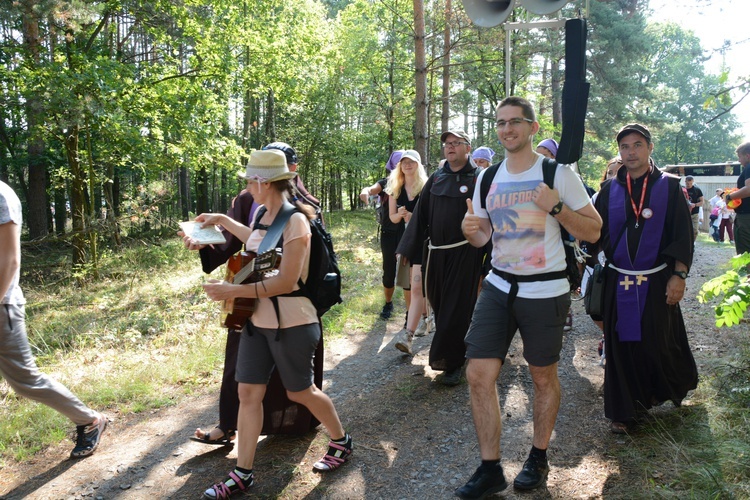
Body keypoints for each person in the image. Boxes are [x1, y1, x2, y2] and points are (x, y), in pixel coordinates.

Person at [456, 96, 601, 498]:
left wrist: (555, 207)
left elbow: (593, 230)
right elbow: (485, 237)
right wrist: (472, 232)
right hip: (499, 287)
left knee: (542, 377)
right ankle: (490, 469)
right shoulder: (489, 177)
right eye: (501, 123)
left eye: (515, 122)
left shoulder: (557, 173)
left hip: (546, 291)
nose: (507, 130)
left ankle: (538, 457)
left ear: (532, 127)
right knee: (478, 375)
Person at [198, 150, 351, 499]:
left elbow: (285, 281)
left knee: (300, 392)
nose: (248, 187)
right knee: (248, 394)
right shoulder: (265, 213)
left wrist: (231, 289)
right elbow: (254, 238)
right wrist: (221, 219)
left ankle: (341, 441)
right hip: (256, 322)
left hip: (293, 323)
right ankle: (242, 473)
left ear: (264, 182)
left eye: (251, 181)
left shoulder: (295, 220)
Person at [593, 123, 697, 435]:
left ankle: (654, 392)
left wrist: (678, 275)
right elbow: (594, 234)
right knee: (621, 344)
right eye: (625, 147)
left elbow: (682, 234)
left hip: (656, 279)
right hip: (618, 279)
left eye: (637, 145)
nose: (631, 152)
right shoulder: (609, 191)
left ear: (650, 148)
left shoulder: (669, 186)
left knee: (656, 340)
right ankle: (624, 411)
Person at [0, 180, 108, 459]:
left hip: (3, 306)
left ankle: (89, 420)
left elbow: (10, 260)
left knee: (26, 381)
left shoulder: (1, 195)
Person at [397, 130, 486, 386]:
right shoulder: (436, 178)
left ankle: (451, 363)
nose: (450, 147)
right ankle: (462, 347)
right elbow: (420, 217)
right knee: (437, 302)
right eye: (447, 144)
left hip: (465, 253)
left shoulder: (479, 178)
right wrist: (408, 249)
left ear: (468, 148)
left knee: (455, 309)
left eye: (456, 143)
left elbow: (488, 220)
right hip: (435, 253)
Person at [382, 150, 429, 354]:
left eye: (412, 162)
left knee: (419, 284)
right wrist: (400, 215)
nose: (408, 165)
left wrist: (414, 217)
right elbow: (391, 217)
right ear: (399, 166)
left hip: (423, 240)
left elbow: (429, 216)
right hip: (404, 241)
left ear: (418, 165)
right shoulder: (395, 189)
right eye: (404, 162)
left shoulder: (425, 187)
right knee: (408, 284)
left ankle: (424, 317)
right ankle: (412, 319)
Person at [361, 151, 404, 321]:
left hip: (409, 232)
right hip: (389, 233)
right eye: (399, 163)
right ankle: (388, 303)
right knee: (389, 271)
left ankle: (413, 310)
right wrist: (365, 192)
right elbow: (371, 189)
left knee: (411, 270)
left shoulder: (415, 183)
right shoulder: (385, 183)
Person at [726, 141, 750, 255]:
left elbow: (749, 189)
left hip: (746, 217)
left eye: (740, 157)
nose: (739, 160)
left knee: (745, 253)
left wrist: (729, 196)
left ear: (747, 156)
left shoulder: (749, 167)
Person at [684, 176, 704, 242]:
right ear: (685, 182)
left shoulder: (697, 190)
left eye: (690, 183)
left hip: (694, 213)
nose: (688, 185)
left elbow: (702, 202)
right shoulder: (682, 190)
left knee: (695, 230)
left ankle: (692, 243)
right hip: (684, 213)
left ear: (692, 182)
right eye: (687, 183)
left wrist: (695, 205)